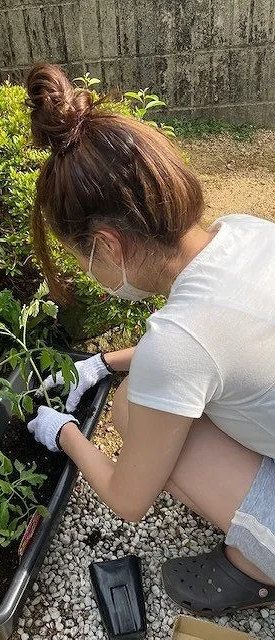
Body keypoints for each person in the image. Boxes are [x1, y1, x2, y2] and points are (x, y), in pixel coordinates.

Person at [24, 62, 275, 616]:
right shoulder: (245, 232)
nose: (87, 272)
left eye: (79, 258)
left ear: (108, 246)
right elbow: (223, 343)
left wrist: (62, 432)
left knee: (134, 414)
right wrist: (104, 362)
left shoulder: (178, 342)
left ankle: (258, 563)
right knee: (141, 396)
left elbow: (128, 499)